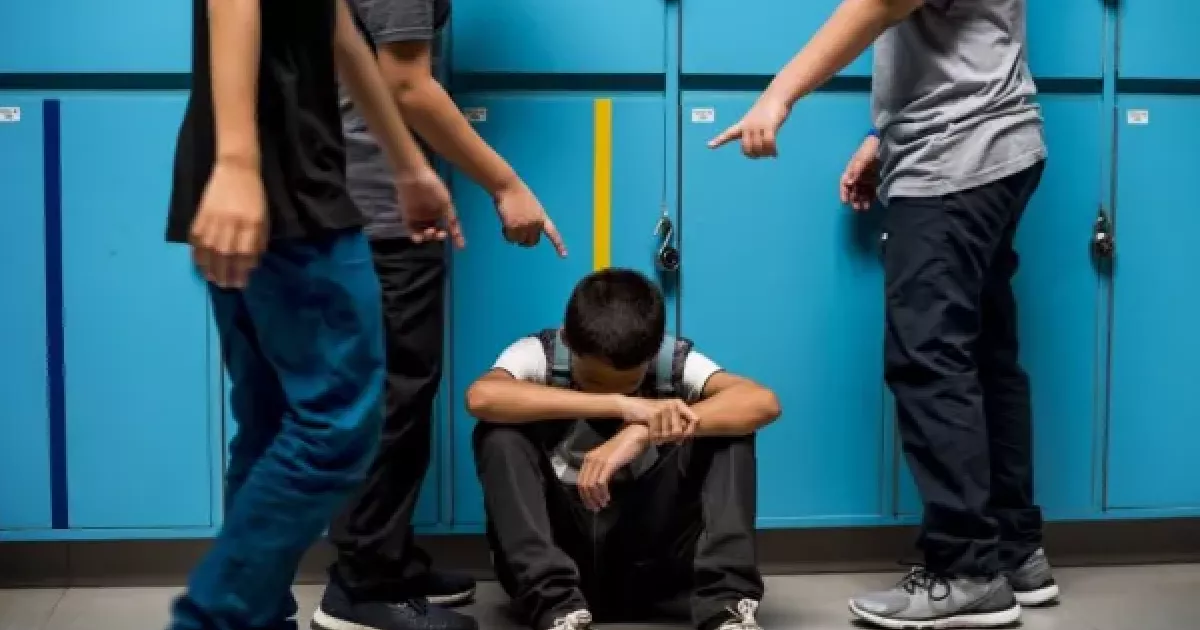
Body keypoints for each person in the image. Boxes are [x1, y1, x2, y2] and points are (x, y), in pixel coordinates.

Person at [710, 1, 1055, 628]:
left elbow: (878, 5)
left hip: (954, 158)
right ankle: (1013, 551)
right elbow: (961, 36)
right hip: (996, 142)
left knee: (929, 361)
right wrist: (884, 136)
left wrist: (779, 94)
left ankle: (967, 571)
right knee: (985, 359)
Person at [164, 0, 456, 628]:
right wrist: (239, 162)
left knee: (270, 420)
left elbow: (337, 29)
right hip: (285, 179)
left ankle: (256, 617)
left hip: (280, 171)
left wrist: (407, 165)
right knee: (339, 423)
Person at [312, 1, 566, 630]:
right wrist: (506, 185)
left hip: (366, 207)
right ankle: (361, 590)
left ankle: (388, 562)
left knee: (400, 394)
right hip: (373, 214)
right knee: (391, 401)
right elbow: (407, 85)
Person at [464, 268, 782, 630]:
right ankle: (557, 609)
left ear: (654, 351)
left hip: (652, 562)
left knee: (729, 429)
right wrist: (622, 404)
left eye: (627, 384)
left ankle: (726, 609)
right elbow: (481, 397)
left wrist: (640, 433)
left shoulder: (671, 359)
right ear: (567, 339)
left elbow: (762, 402)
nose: (607, 390)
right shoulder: (538, 354)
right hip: (563, 557)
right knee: (498, 433)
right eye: (593, 381)